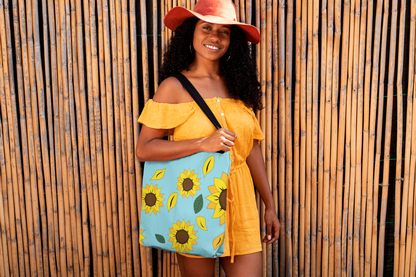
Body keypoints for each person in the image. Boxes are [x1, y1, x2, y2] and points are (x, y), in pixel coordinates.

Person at [136, 0, 280, 276]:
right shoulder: (173, 87)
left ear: (232, 40)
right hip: (195, 199)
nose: (214, 37)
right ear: (191, 32)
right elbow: (145, 149)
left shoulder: (239, 85)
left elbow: (251, 151)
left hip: (243, 205)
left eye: (224, 31)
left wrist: (270, 206)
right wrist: (202, 144)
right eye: (206, 28)